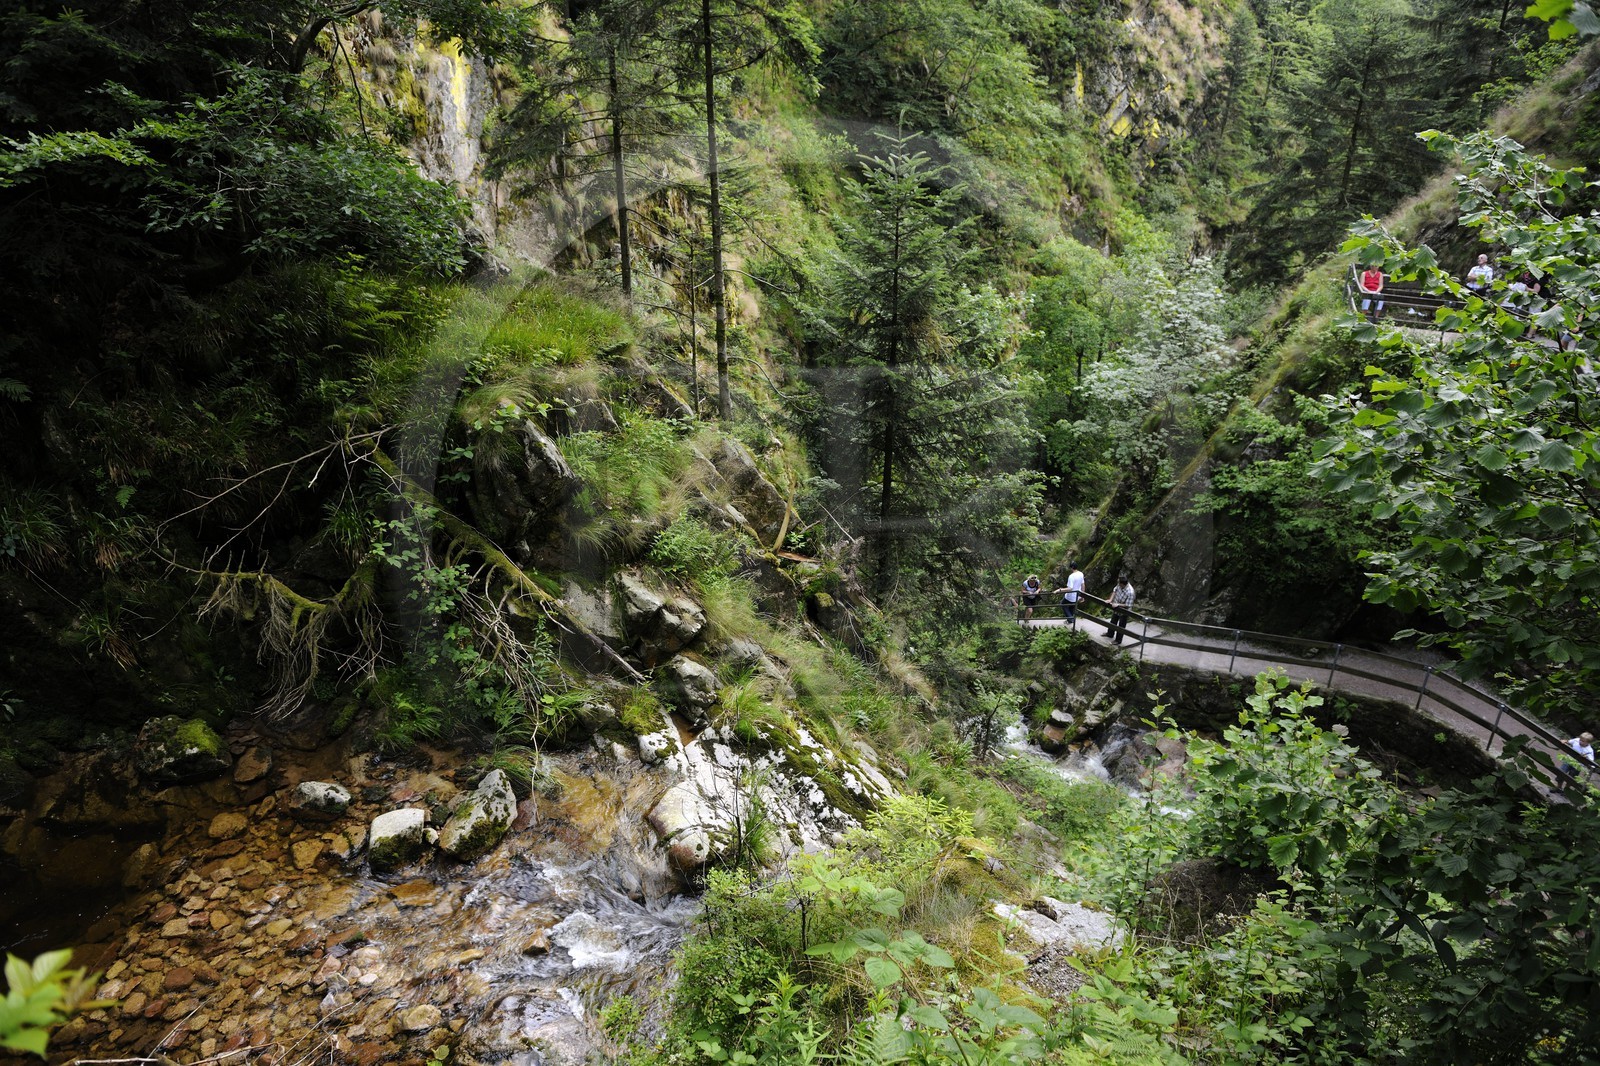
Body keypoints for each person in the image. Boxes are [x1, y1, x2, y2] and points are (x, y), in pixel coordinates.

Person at [1105, 575, 1136, 645]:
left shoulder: (1130, 592)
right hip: (1116, 607)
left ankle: (1118, 640)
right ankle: (1110, 634)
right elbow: (1114, 591)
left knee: (1121, 626)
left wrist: (1118, 604)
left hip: (1124, 610)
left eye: (1119, 583)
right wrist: (1110, 600)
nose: (1118, 584)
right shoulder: (1119, 585)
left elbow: (1128, 605)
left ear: (1122, 584)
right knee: (1113, 621)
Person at [1053, 563, 1085, 629]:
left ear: (1072, 567)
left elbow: (1070, 588)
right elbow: (1083, 585)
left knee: (1063, 604)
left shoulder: (1072, 576)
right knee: (1071, 607)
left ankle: (1070, 620)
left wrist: (1059, 590)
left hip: (1070, 596)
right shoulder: (1081, 574)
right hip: (1077, 595)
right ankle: (1070, 619)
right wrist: (1082, 595)